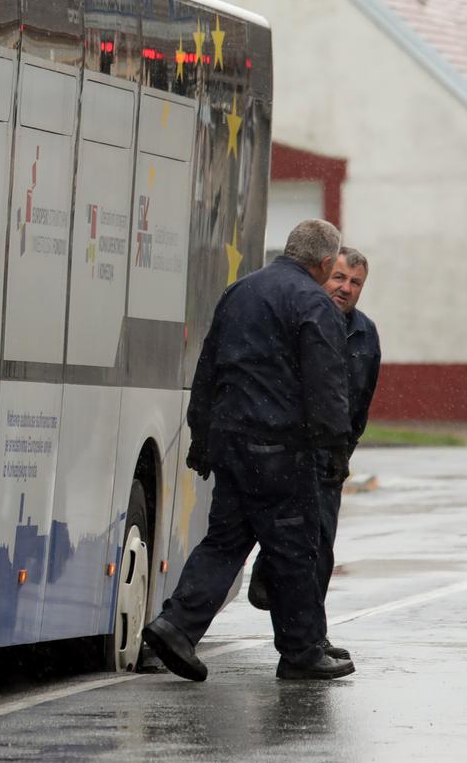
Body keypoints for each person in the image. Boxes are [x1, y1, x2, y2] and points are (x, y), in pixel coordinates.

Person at [142, 219, 355, 682]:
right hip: (280, 446)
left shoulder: (240, 292)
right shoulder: (313, 303)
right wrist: (335, 448)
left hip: (232, 441)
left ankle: (176, 625)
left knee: (226, 540)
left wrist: (201, 434)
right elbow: (326, 384)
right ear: (323, 264)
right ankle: (301, 652)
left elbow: (209, 364)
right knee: (294, 547)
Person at [247, 248, 380, 662]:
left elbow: (360, 402)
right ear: (324, 274)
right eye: (339, 277)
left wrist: (344, 452)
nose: (345, 288)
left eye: (355, 282)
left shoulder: (365, 333)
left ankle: (310, 639)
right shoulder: (302, 318)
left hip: (330, 461)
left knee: (320, 550)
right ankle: (287, 618)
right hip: (290, 453)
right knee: (291, 548)